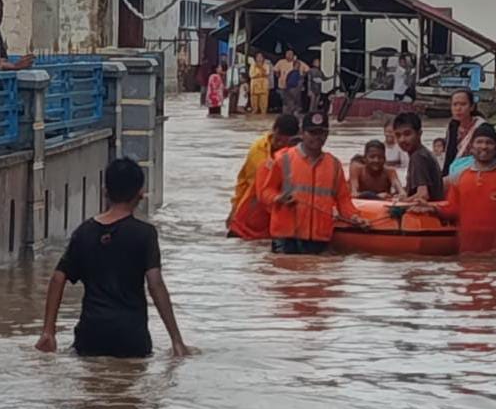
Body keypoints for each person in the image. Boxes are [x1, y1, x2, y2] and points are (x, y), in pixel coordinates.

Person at [36, 157, 190, 358]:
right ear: (140, 194)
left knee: (90, 375)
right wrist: (176, 340)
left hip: (91, 336)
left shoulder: (84, 232)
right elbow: (155, 284)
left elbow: (58, 278)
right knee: (130, 375)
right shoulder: (145, 234)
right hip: (132, 337)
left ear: (105, 191)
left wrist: (48, 331)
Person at [416, 127, 496, 254]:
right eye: (479, 142)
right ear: (471, 147)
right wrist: (432, 208)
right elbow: (453, 209)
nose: (484, 146)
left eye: (489, 143)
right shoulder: (459, 177)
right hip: (467, 252)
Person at [260, 112, 366, 254]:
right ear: (302, 133)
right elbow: (265, 192)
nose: (317, 137)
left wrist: (355, 217)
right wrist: (279, 198)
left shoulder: (334, 165)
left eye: (322, 133)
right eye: (312, 132)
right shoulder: (283, 159)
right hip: (287, 239)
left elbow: (343, 200)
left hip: (319, 239)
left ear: (327, 135)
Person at [228, 115, 299, 240]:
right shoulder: (257, 149)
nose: (280, 143)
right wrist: (233, 210)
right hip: (251, 215)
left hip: (279, 217)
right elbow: (243, 181)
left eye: (285, 141)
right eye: (278, 139)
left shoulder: (297, 154)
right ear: (274, 130)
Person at [442, 89, 496, 175]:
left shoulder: (483, 128)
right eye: (455, 104)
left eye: (463, 104)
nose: (458, 108)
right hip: (455, 173)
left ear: (472, 107)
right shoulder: (453, 126)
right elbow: (449, 155)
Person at [394, 111, 445, 203]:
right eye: (398, 135)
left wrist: (402, 202)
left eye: (407, 134)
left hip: (428, 209)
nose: (402, 139)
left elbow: (423, 195)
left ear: (419, 133)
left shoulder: (418, 157)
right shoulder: (425, 153)